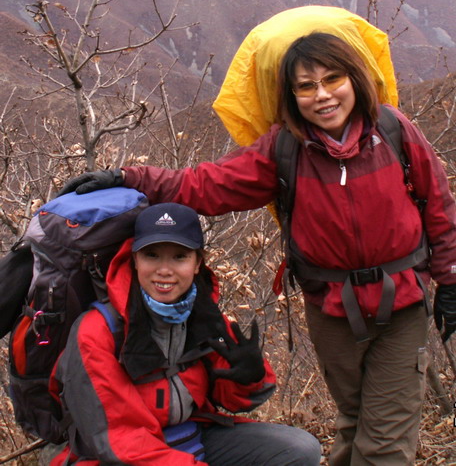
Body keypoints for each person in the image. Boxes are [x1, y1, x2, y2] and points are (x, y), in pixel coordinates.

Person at [60, 32, 456, 465]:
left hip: (402, 300)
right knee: (355, 417)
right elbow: (208, 185)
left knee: (385, 438)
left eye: (332, 79)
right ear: (291, 96)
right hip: (331, 306)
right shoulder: (285, 148)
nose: (322, 95)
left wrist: (451, 279)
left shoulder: (393, 130)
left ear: (354, 79)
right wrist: (129, 178)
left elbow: (439, 205)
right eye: (306, 86)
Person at [48, 202, 321, 466]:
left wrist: (250, 378)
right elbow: (120, 440)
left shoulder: (202, 315)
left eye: (179, 257)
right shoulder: (96, 331)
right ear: (134, 259)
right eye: (152, 255)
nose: (164, 271)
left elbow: (234, 398)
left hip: (190, 437)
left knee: (299, 449)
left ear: (198, 262)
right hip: (117, 457)